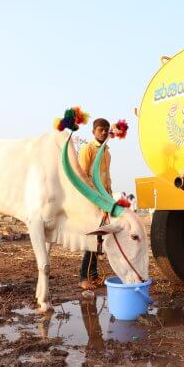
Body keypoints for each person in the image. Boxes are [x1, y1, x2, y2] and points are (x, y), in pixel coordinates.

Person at [78, 118, 111, 290]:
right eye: (100, 129)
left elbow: (107, 179)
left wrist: (109, 202)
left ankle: (94, 275)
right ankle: (83, 277)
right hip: (91, 200)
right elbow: (82, 176)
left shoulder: (107, 152)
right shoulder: (87, 149)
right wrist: (96, 200)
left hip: (104, 201)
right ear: (93, 131)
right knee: (91, 239)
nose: (104, 132)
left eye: (106, 129)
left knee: (98, 239)